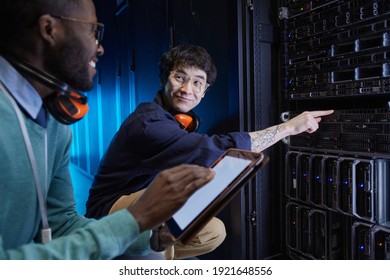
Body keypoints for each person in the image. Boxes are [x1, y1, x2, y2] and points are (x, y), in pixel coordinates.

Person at [0, 0, 216, 260]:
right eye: (94, 32)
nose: (100, 47)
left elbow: (63, 224)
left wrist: (150, 236)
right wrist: (136, 219)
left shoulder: (55, 123)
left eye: (197, 83)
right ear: (49, 29)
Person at [85, 44, 334, 259]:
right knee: (164, 211)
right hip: (106, 211)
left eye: (197, 82)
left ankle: (136, 252)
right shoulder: (148, 122)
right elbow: (210, 151)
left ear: (204, 92)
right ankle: (144, 258)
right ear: (164, 79)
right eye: (179, 77)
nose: (187, 89)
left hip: (144, 201)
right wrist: (289, 127)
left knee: (213, 232)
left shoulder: (179, 121)